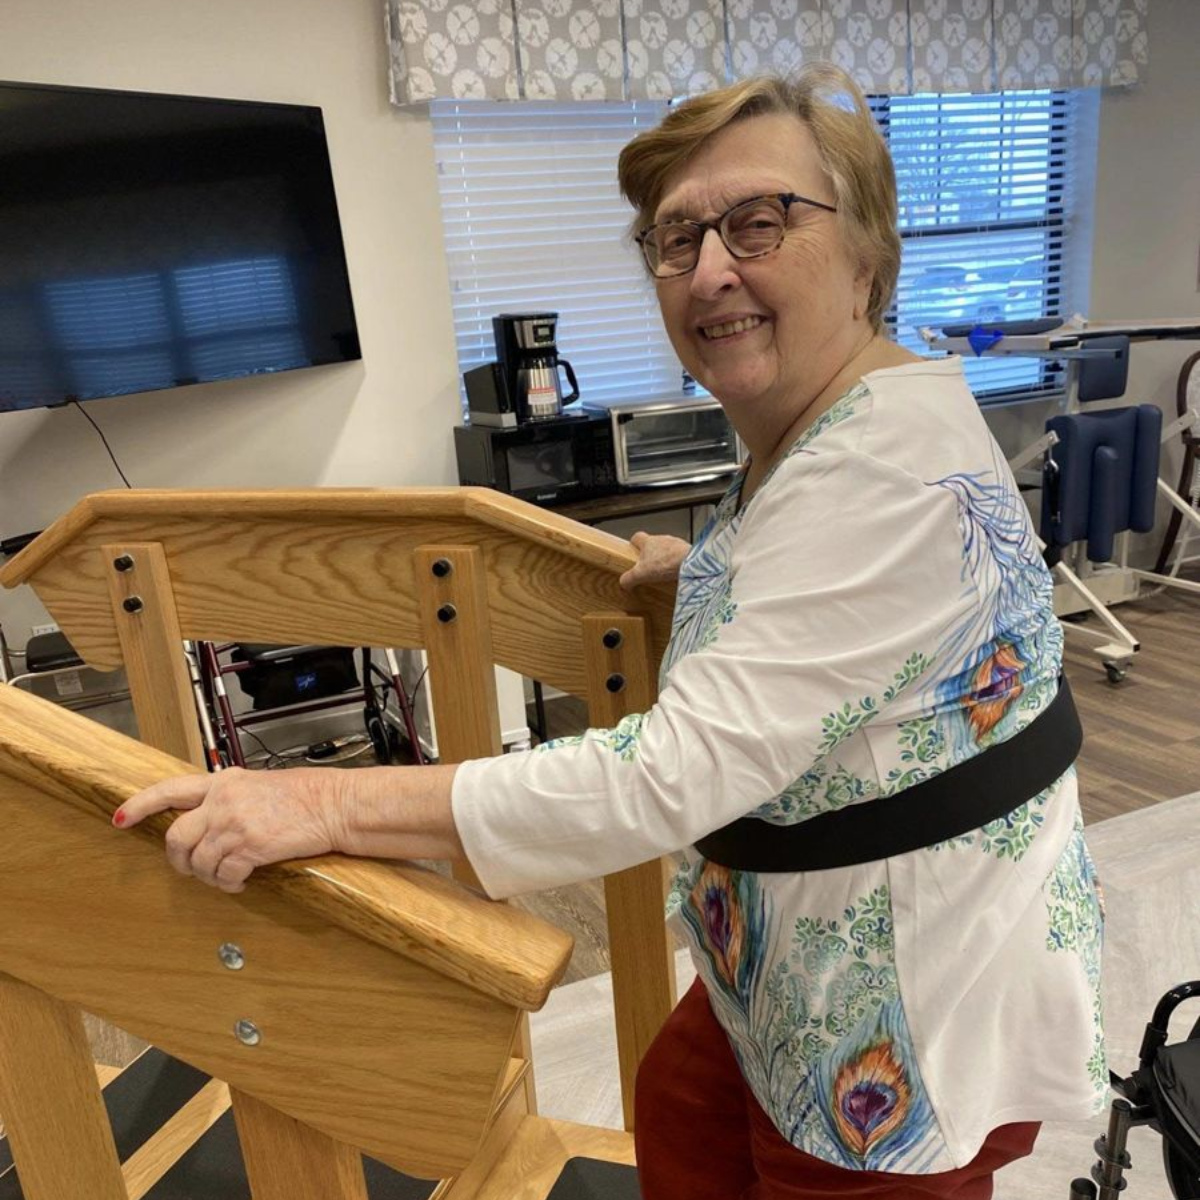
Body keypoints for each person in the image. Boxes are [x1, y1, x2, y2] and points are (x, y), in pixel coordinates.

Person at [116, 64, 1106, 1200]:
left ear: (869, 255)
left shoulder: (881, 474)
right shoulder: (836, 416)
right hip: (780, 941)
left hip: (897, 994)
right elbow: (858, 625)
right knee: (677, 1109)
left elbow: (660, 780)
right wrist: (708, 580)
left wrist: (323, 799)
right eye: (676, 238)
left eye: (758, 222)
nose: (709, 268)